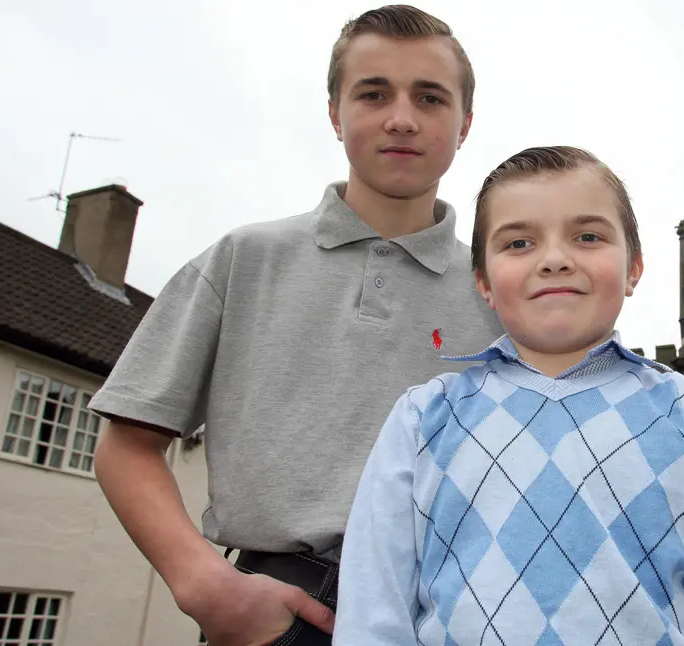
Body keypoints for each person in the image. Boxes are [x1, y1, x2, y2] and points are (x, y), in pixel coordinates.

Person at [88, 5, 502, 646]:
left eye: (430, 96)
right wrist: (203, 585)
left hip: (460, 616)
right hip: (284, 615)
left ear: (464, 123)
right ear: (335, 113)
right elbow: (128, 445)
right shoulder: (243, 258)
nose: (401, 117)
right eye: (373, 93)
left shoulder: (498, 290)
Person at [334, 146, 684, 645]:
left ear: (634, 267)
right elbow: (371, 616)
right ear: (483, 282)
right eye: (518, 243)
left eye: (588, 236)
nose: (554, 259)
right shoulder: (422, 421)